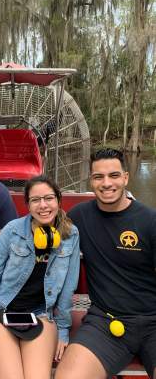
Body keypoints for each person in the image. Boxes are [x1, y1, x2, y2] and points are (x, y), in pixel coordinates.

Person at [0, 175, 80, 379]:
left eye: (49, 198)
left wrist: (64, 330)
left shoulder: (71, 235)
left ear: (59, 200)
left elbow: (68, 287)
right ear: (28, 205)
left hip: (42, 315)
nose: (43, 205)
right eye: (35, 200)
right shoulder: (12, 231)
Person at [55, 148, 156, 379]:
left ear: (126, 178)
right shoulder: (79, 216)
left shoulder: (150, 221)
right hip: (105, 322)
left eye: (114, 175)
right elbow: (43, 233)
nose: (106, 183)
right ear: (91, 180)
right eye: (98, 177)